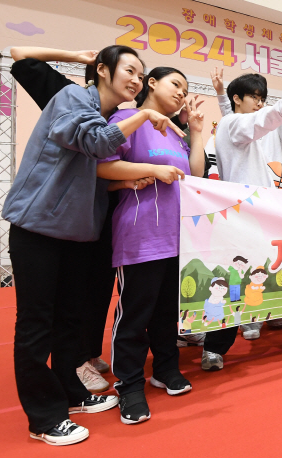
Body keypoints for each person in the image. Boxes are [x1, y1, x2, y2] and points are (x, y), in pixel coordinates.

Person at [2, 45, 176, 445]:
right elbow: (95, 143)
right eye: (129, 70)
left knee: (70, 320)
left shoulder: (110, 114)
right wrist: (144, 115)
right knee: (35, 325)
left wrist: (124, 181)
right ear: (102, 70)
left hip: (78, 232)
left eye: (140, 72)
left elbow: (91, 172)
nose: (135, 79)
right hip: (38, 227)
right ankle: (44, 418)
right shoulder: (73, 98)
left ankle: (71, 392)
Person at [96, 66, 205, 424]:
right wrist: (149, 170)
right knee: (135, 312)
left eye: (185, 88)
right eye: (176, 83)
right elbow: (102, 169)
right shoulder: (127, 118)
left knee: (166, 311)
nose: (181, 92)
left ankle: (165, 368)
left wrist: (198, 133)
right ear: (152, 83)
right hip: (141, 232)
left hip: (177, 235)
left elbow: (195, 176)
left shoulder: (173, 130)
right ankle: (128, 384)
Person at [206, 73, 282, 371]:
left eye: (263, 99)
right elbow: (268, 117)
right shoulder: (232, 124)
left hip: (274, 215)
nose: (260, 104)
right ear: (237, 99)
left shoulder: (266, 135)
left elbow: (277, 128)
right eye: (255, 98)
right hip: (242, 218)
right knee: (237, 280)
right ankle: (213, 347)